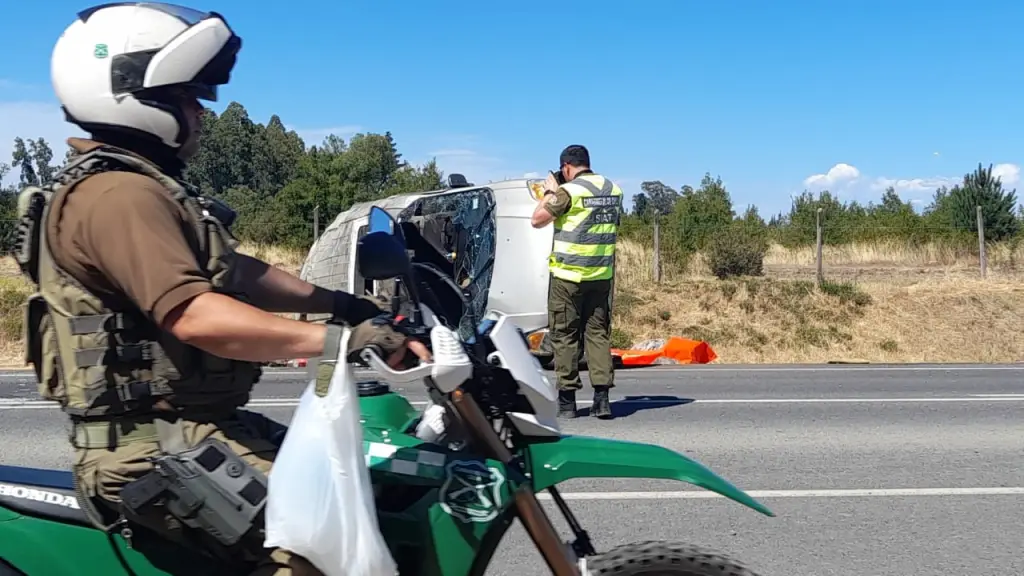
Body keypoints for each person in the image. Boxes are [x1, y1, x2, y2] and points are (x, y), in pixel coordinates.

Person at [16, 3, 430, 575]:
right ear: (136, 94)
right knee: (320, 551)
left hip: (193, 429)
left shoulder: (142, 189)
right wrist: (343, 339)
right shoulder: (118, 196)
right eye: (189, 96)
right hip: (152, 449)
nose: (201, 112)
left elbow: (236, 273)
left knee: (360, 490)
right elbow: (196, 316)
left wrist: (345, 304)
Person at [530, 145, 623, 419]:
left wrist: (550, 191)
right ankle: (602, 399)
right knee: (598, 334)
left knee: (565, 336)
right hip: (600, 276)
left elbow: (537, 219)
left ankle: (567, 401)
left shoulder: (569, 192)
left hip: (568, 277)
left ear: (566, 167)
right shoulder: (613, 189)